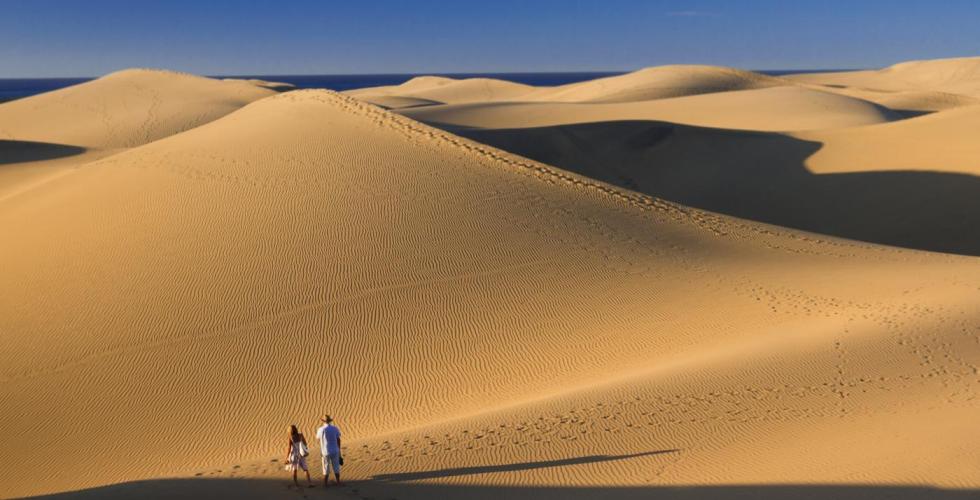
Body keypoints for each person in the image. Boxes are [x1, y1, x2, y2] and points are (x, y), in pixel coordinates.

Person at [316, 415, 343, 486]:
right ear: (330, 421)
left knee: (325, 467)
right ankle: (338, 482)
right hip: (335, 450)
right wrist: (338, 449)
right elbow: (338, 439)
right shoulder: (335, 428)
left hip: (325, 451)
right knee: (336, 467)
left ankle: (325, 484)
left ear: (323, 421)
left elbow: (317, 439)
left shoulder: (321, 429)